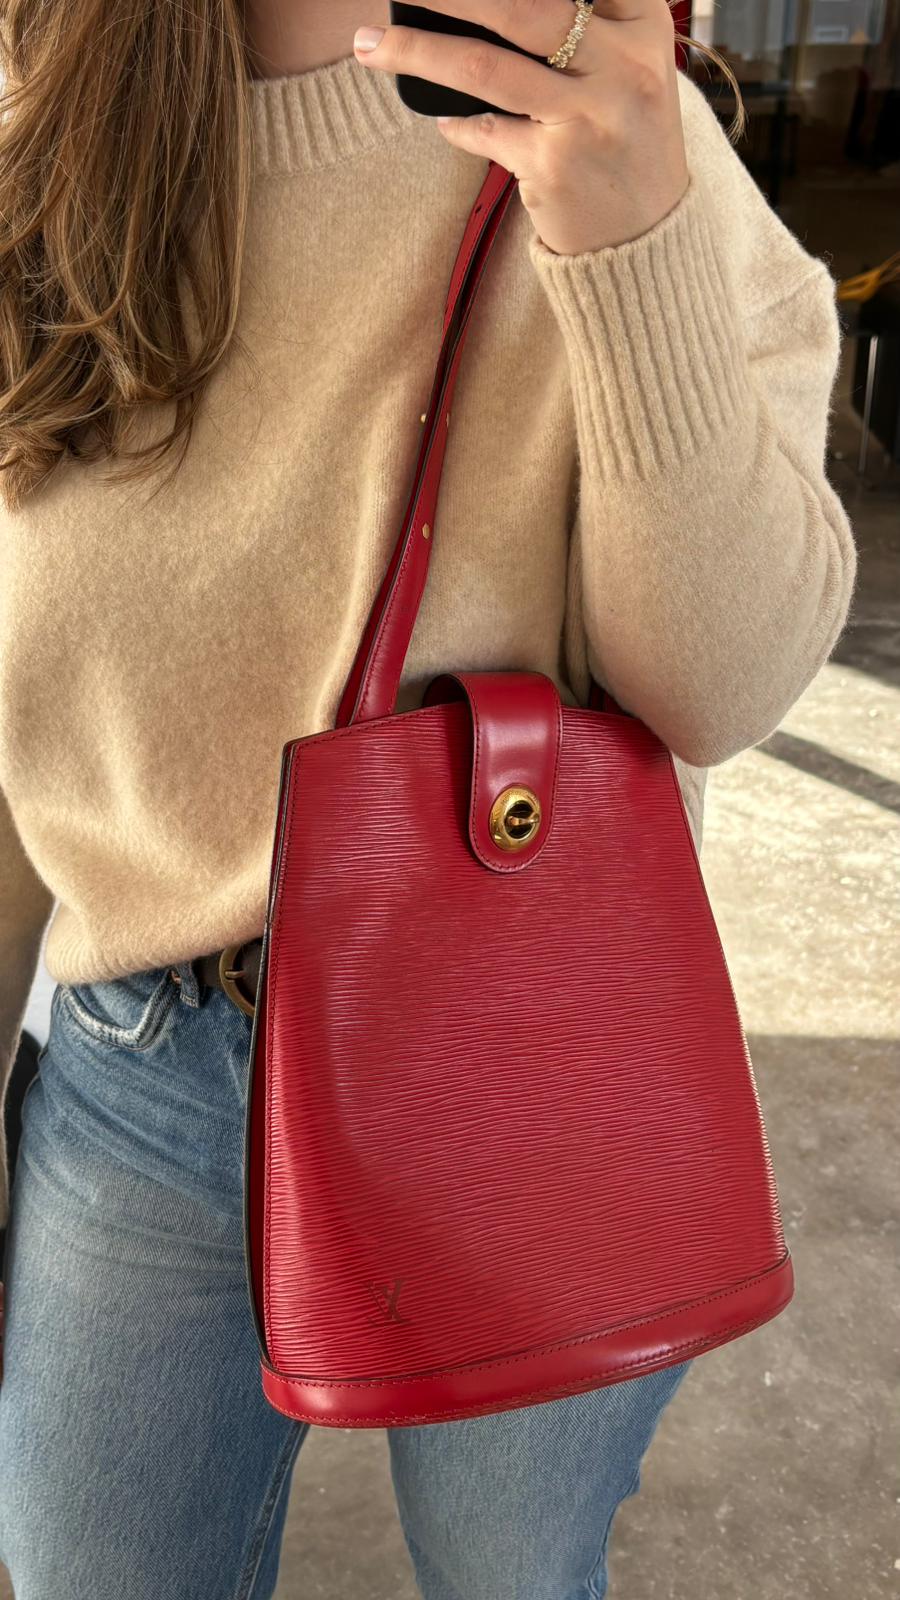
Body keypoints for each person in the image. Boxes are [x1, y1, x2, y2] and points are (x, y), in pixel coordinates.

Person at [0, 1, 857, 1596]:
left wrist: (631, 243)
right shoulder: (46, 122)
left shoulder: (612, 130)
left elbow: (722, 686)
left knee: (510, 1575)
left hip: (520, 1070)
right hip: (136, 1074)